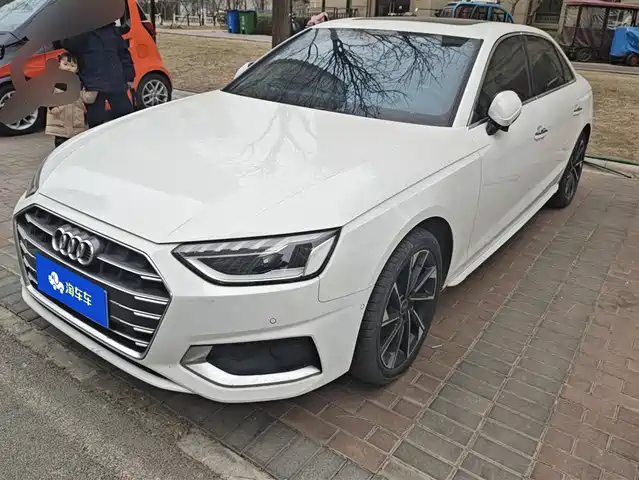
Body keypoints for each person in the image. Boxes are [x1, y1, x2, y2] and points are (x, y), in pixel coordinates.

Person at [62, 22, 136, 128]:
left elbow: (123, 53)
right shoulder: (81, 31)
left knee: (126, 121)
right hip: (93, 85)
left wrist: (129, 75)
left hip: (115, 82)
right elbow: (68, 45)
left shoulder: (111, 29)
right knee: (96, 126)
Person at [45, 53, 97, 148]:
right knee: (61, 149)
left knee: (75, 149)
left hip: (76, 124)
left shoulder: (79, 83)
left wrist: (95, 88)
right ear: (59, 64)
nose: (68, 68)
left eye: (72, 66)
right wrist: (57, 108)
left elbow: (88, 98)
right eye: (65, 64)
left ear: (77, 69)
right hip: (60, 124)